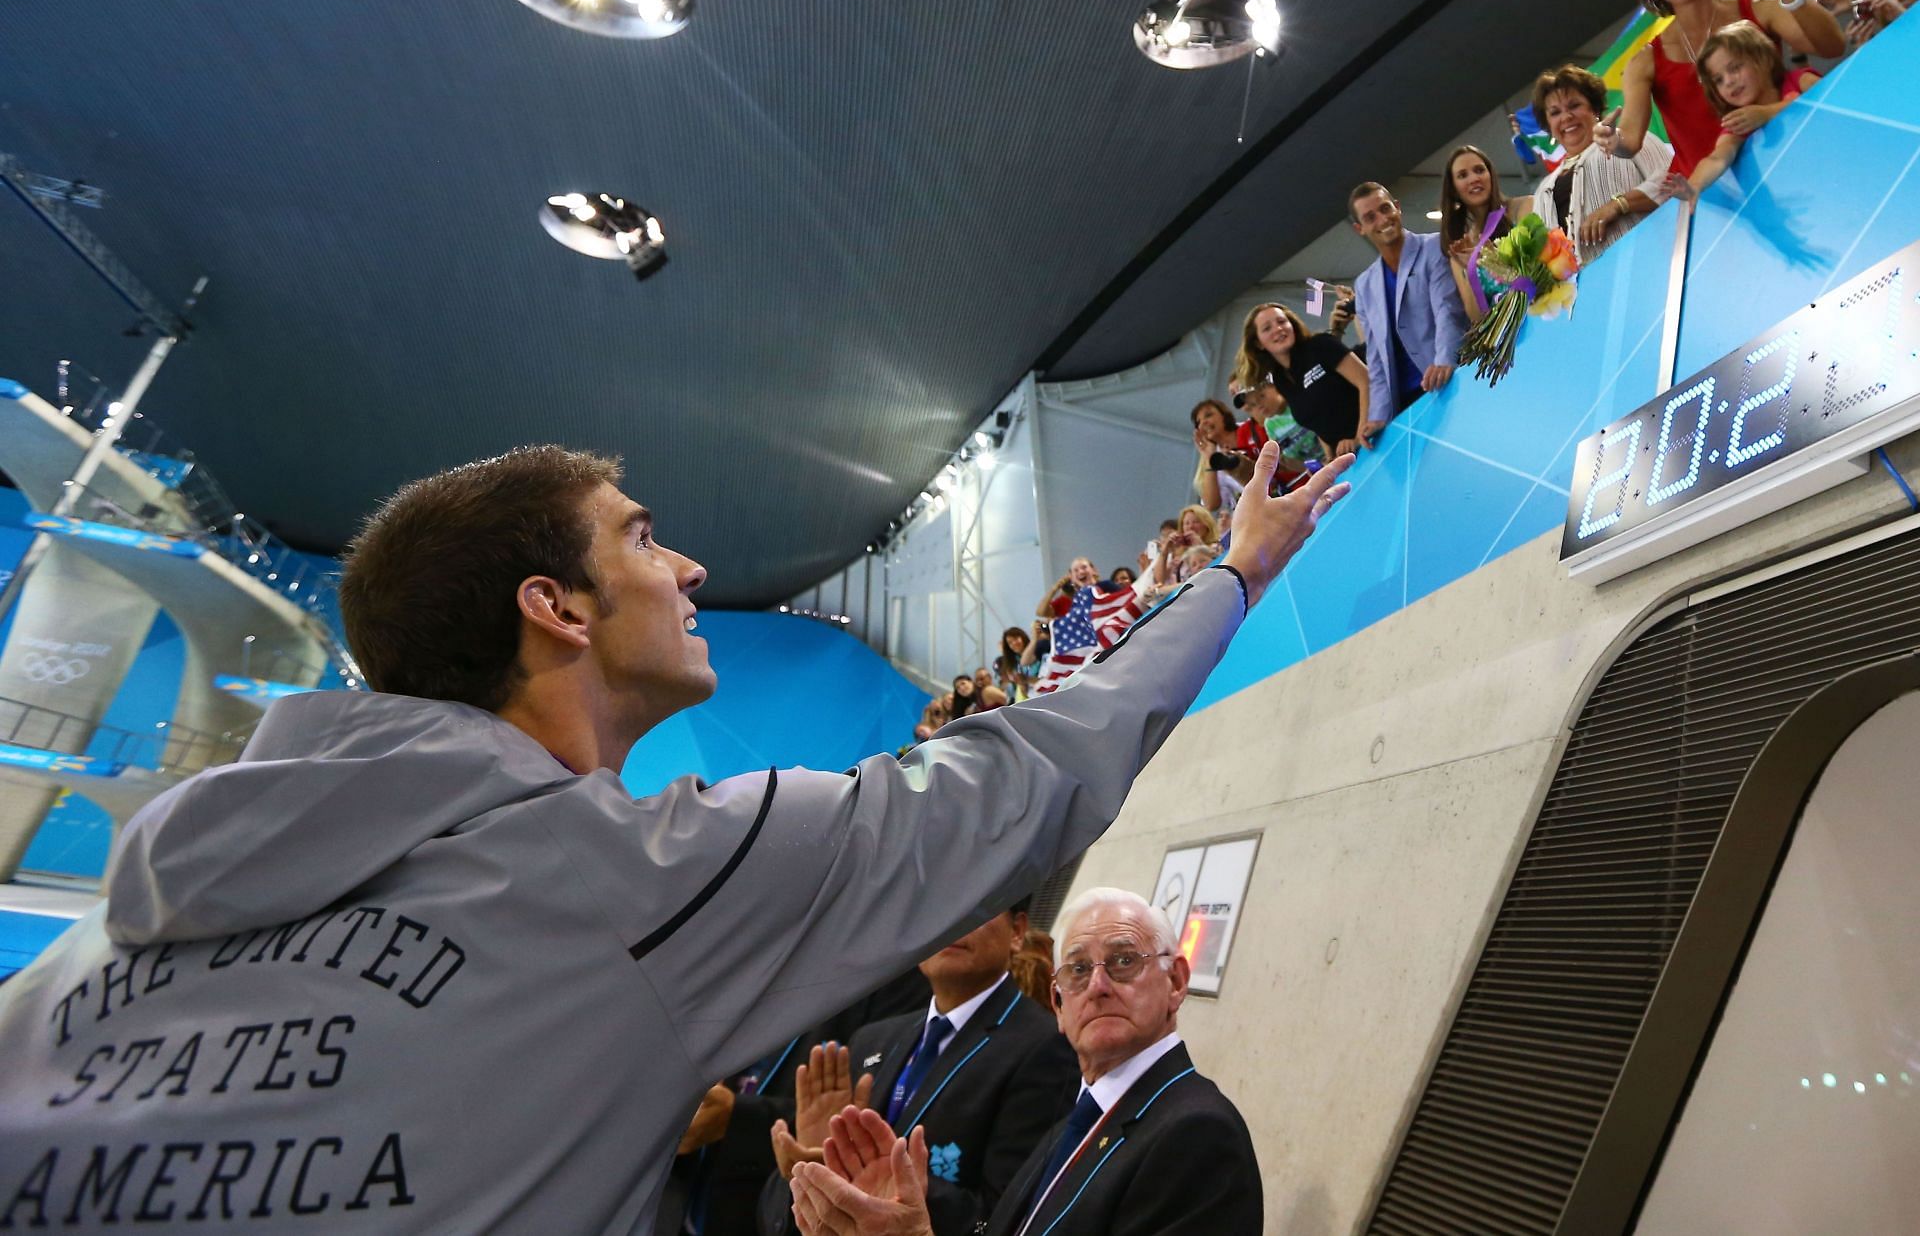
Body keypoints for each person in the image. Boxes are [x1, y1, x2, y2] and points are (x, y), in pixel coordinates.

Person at [0, 442, 1351, 1233]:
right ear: (558, 609)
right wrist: (1234, 574)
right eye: (641, 538)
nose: (691, 570)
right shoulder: (633, 884)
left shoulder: (77, 969)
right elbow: (1032, 769)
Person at [784, 887, 1262, 1236]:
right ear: (1058, 1004)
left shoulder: (1197, 1132)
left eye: (1123, 962)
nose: (1097, 985)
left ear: (1176, 981)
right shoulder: (1077, 1124)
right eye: (1077, 969)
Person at [757, 905, 1078, 1236]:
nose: (954, 919)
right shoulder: (873, 1040)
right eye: (941, 904)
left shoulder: (1045, 1048)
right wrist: (806, 1170)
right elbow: (774, 1220)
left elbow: (1007, 1215)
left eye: (979, 904)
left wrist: (884, 1179)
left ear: (1017, 931)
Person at [659, 966, 931, 1235]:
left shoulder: (887, 975)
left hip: (766, 1208)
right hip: (673, 1202)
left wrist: (738, 1118)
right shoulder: (730, 962)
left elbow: (860, 1115)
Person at [1598, 0, 1843, 178]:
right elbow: (1630, 141)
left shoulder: (1761, 10)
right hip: (1717, 200)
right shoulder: (1645, 61)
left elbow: (1832, 47)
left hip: (1792, 165)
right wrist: (1612, 139)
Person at [1349, 182, 1467, 436]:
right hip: (1406, 407)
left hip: (1448, 379)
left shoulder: (1434, 246)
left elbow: (1447, 309)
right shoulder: (1364, 285)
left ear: (1398, 208)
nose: (1382, 219)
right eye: (1370, 217)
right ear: (1360, 229)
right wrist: (1379, 415)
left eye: (1385, 208)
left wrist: (1445, 361)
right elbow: (1377, 357)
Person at [1528, 65, 1673, 263]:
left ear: (1594, 109)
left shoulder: (1628, 141)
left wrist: (1619, 204)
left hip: (1653, 260)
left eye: (1574, 106)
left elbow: (1674, 178)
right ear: (1548, 126)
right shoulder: (1543, 190)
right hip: (1594, 291)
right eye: (1555, 113)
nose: (1566, 117)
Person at [1671, 20, 1820, 199]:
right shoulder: (1740, 124)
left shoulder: (1800, 81)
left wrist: (1766, 114)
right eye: (1718, 79)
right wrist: (1694, 185)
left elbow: (1833, 100)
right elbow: (1717, 158)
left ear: (1764, 60)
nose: (1728, 81)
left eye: (1735, 68)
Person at [1237, 302, 1370, 460]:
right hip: (1350, 457)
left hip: (1373, 438)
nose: (1278, 329)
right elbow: (1317, 420)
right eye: (1267, 328)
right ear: (1258, 343)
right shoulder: (1281, 379)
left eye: (1281, 322)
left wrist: (1359, 436)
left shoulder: (1320, 345)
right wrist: (1329, 458)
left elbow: (1366, 382)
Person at [1438, 145, 1533, 324]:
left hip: (1541, 317)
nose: (1474, 178)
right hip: (1508, 340)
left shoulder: (1524, 208)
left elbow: (1540, 272)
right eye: (1463, 175)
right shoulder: (1460, 249)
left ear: (1491, 175)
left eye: (1479, 170)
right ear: (1454, 189)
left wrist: (1492, 260)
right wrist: (1470, 269)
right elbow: (1477, 317)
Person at [1031, 558, 1144, 696]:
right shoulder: (1067, 600)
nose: (1081, 572)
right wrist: (1055, 588)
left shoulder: (1105, 586)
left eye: (1083, 568)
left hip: (1108, 649)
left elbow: (1125, 601)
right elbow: (1040, 611)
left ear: (1093, 570)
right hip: (1081, 659)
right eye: (1076, 570)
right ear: (1070, 576)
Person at [1140, 506, 1221, 608]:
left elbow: (1218, 569)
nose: (1191, 526)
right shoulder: (1180, 554)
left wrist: (1199, 545)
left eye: (1195, 522)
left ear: (1206, 524)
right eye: (1186, 523)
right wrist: (1165, 550)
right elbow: (1159, 580)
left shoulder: (1217, 547)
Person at [1189, 399, 1255, 516]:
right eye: (1198, 422)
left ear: (1224, 415)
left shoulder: (1251, 427)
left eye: (1208, 415)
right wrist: (1209, 456)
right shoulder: (1214, 461)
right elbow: (1211, 505)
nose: (1203, 422)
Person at [992, 627, 1035, 702]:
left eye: (1016, 638)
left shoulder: (1037, 650)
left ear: (1022, 636)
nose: (1014, 643)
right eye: (1010, 643)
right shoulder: (1014, 663)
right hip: (1031, 698)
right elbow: (1023, 689)